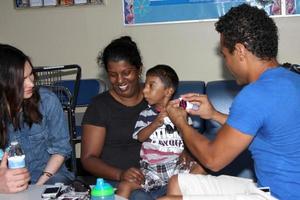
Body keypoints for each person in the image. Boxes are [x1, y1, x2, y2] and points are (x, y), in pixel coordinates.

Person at [160, 4, 300, 200]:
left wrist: (181, 123)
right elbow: (263, 129)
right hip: (272, 188)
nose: (226, 63)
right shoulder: (292, 79)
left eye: (225, 55)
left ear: (240, 51)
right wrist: (214, 115)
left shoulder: (255, 94)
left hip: (280, 196)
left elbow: (213, 159)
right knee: (177, 183)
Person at [81, 36, 155, 199]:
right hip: (114, 182)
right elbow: (88, 158)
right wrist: (121, 174)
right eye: (113, 75)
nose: (120, 80)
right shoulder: (99, 106)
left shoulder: (155, 99)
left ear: (139, 69)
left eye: (126, 73)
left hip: (157, 178)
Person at [116, 65, 205, 199]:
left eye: (151, 86)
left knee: (204, 166)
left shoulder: (181, 112)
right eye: (145, 86)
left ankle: (173, 194)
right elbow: (140, 137)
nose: (145, 91)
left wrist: (186, 151)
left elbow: (189, 135)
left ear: (168, 91)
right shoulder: (145, 114)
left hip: (177, 166)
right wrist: (156, 122)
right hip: (152, 170)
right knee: (124, 186)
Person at [0, 44, 74, 193]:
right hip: (9, 182)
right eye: (21, 80)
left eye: (31, 75)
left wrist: (39, 186)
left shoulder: (47, 101)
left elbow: (61, 149)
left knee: (57, 183)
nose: (31, 83)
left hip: (49, 177)